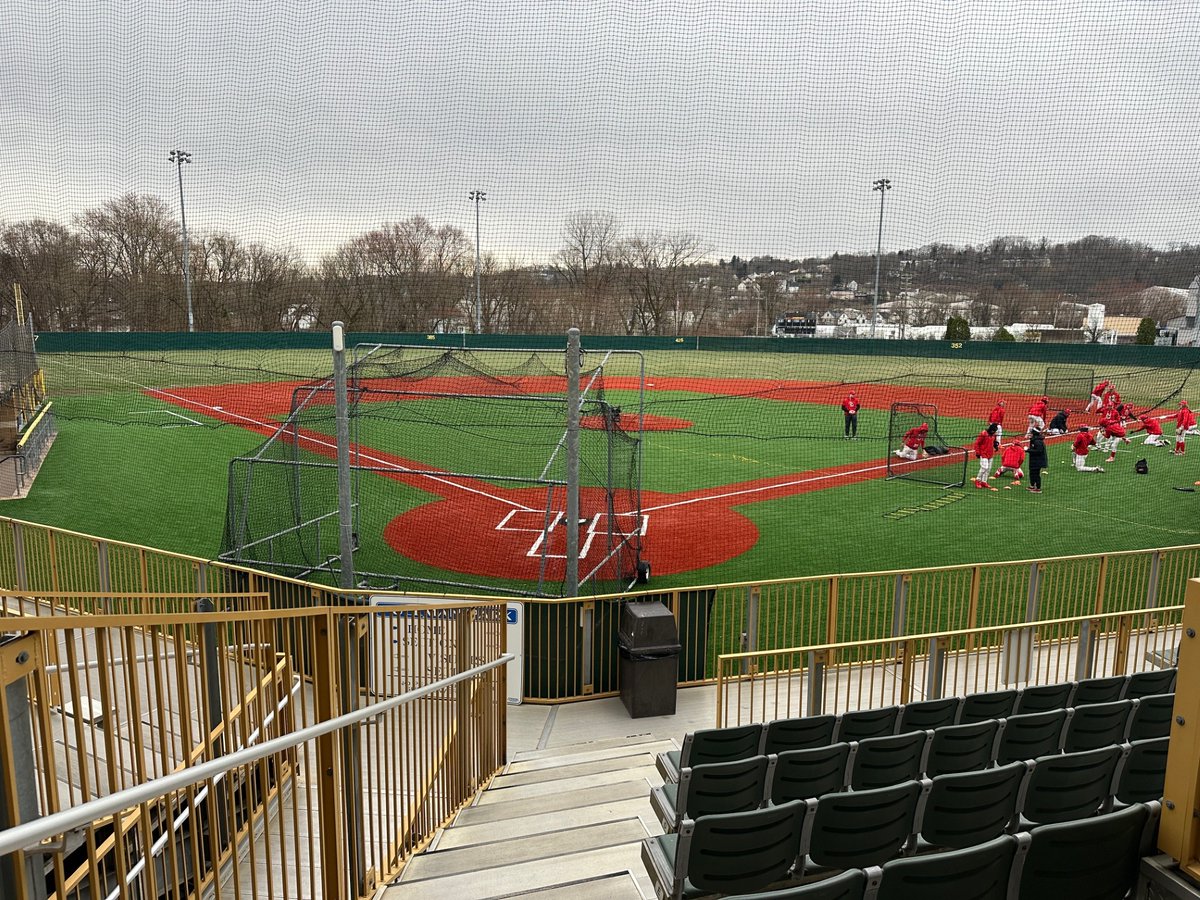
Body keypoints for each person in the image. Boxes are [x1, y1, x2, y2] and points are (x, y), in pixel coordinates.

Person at [972, 423, 1000, 490]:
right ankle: (978, 480)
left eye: (995, 431)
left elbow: (994, 442)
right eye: (993, 430)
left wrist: (995, 445)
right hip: (983, 453)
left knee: (988, 469)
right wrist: (978, 453)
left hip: (990, 454)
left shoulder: (994, 435)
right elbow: (977, 443)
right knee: (984, 467)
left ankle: (984, 482)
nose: (994, 432)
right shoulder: (983, 434)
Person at [1027, 427, 1048, 493]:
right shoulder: (1034, 440)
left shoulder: (1038, 441)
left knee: (1036, 474)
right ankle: (1032, 485)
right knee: (1032, 473)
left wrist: (1028, 450)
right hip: (1034, 460)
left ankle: (1038, 488)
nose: (1030, 433)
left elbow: (1039, 451)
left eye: (1032, 432)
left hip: (1038, 461)